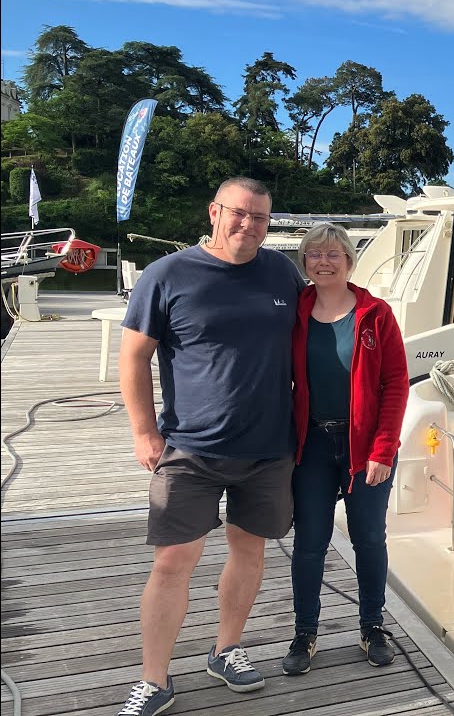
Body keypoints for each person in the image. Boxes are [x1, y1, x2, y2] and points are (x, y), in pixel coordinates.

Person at [116, 177, 305, 716]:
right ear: (214, 211)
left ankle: (227, 648)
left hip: (269, 448)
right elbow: (134, 358)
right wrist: (143, 430)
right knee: (174, 560)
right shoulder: (168, 275)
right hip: (190, 448)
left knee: (249, 550)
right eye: (239, 214)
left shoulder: (281, 273)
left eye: (261, 218)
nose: (249, 225)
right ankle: (154, 679)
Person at [282, 223, 409, 676]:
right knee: (310, 542)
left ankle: (372, 626)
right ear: (304, 261)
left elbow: (395, 384)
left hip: (365, 448)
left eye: (334, 254)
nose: (323, 261)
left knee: (369, 538)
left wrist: (384, 450)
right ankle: (305, 631)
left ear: (350, 261)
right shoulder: (294, 311)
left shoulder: (376, 314)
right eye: (314, 253)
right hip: (312, 444)